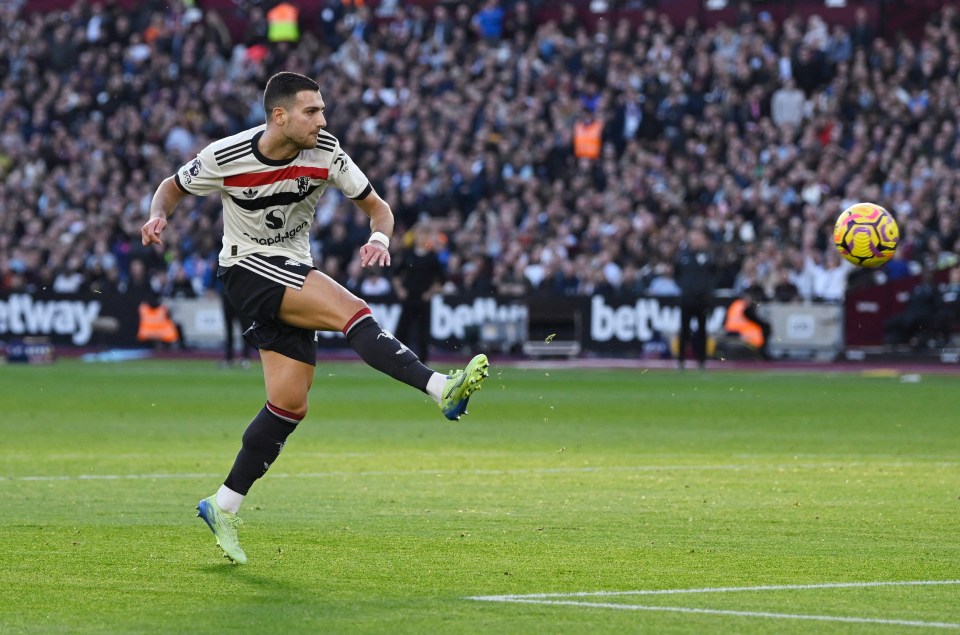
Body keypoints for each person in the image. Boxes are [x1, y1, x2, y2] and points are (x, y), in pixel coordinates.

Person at [140, 72, 490, 565]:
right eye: (312, 111)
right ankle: (440, 388)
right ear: (279, 116)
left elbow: (378, 208)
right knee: (354, 312)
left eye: (323, 110)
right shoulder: (226, 154)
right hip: (246, 267)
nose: (322, 120)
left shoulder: (325, 151)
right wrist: (159, 217)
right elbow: (169, 188)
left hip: (291, 268)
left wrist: (380, 239)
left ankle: (222, 505)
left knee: (288, 405)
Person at [392, 223, 445, 364]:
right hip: (408, 297)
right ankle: (398, 358)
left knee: (423, 333)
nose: (422, 238)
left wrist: (430, 293)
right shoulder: (408, 254)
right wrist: (400, 290)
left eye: (425, 235)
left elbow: (440, 280)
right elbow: (396, 275)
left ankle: (423, 362)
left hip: (423, 299)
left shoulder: (432, 258)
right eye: (421, 234)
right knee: (402, 330)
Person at [674, 228, 718, 370]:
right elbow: (677, 274)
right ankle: (681, 360)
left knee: (702, 331)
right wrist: (686, 288)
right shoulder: (682, 256)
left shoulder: (708, 256)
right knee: (684, 331)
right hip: (687, 299)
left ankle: (702, 360)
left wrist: (706, 290)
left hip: (702, 300)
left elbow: (715, 274)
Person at [723, 285, 772, 359]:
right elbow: (754, 319)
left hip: (731, 329)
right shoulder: (746, 307)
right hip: (742, 331)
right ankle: (762, 353)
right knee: (765, 329)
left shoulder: (736, 304)